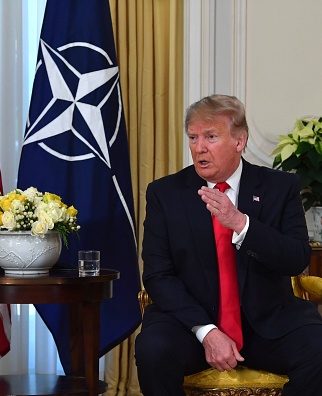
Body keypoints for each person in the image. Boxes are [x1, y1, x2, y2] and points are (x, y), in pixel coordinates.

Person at [135, 94, 322, 395]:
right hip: (190, 325)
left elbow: (296, 258)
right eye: (193, 137)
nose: (199, 147)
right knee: (152, 349)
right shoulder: (165, 193)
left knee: (318, 348)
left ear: (239, 141)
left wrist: (242, 225)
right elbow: (158, 275)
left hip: (267, 323)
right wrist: (206, 331)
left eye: (210, 136)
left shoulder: (279, 187)